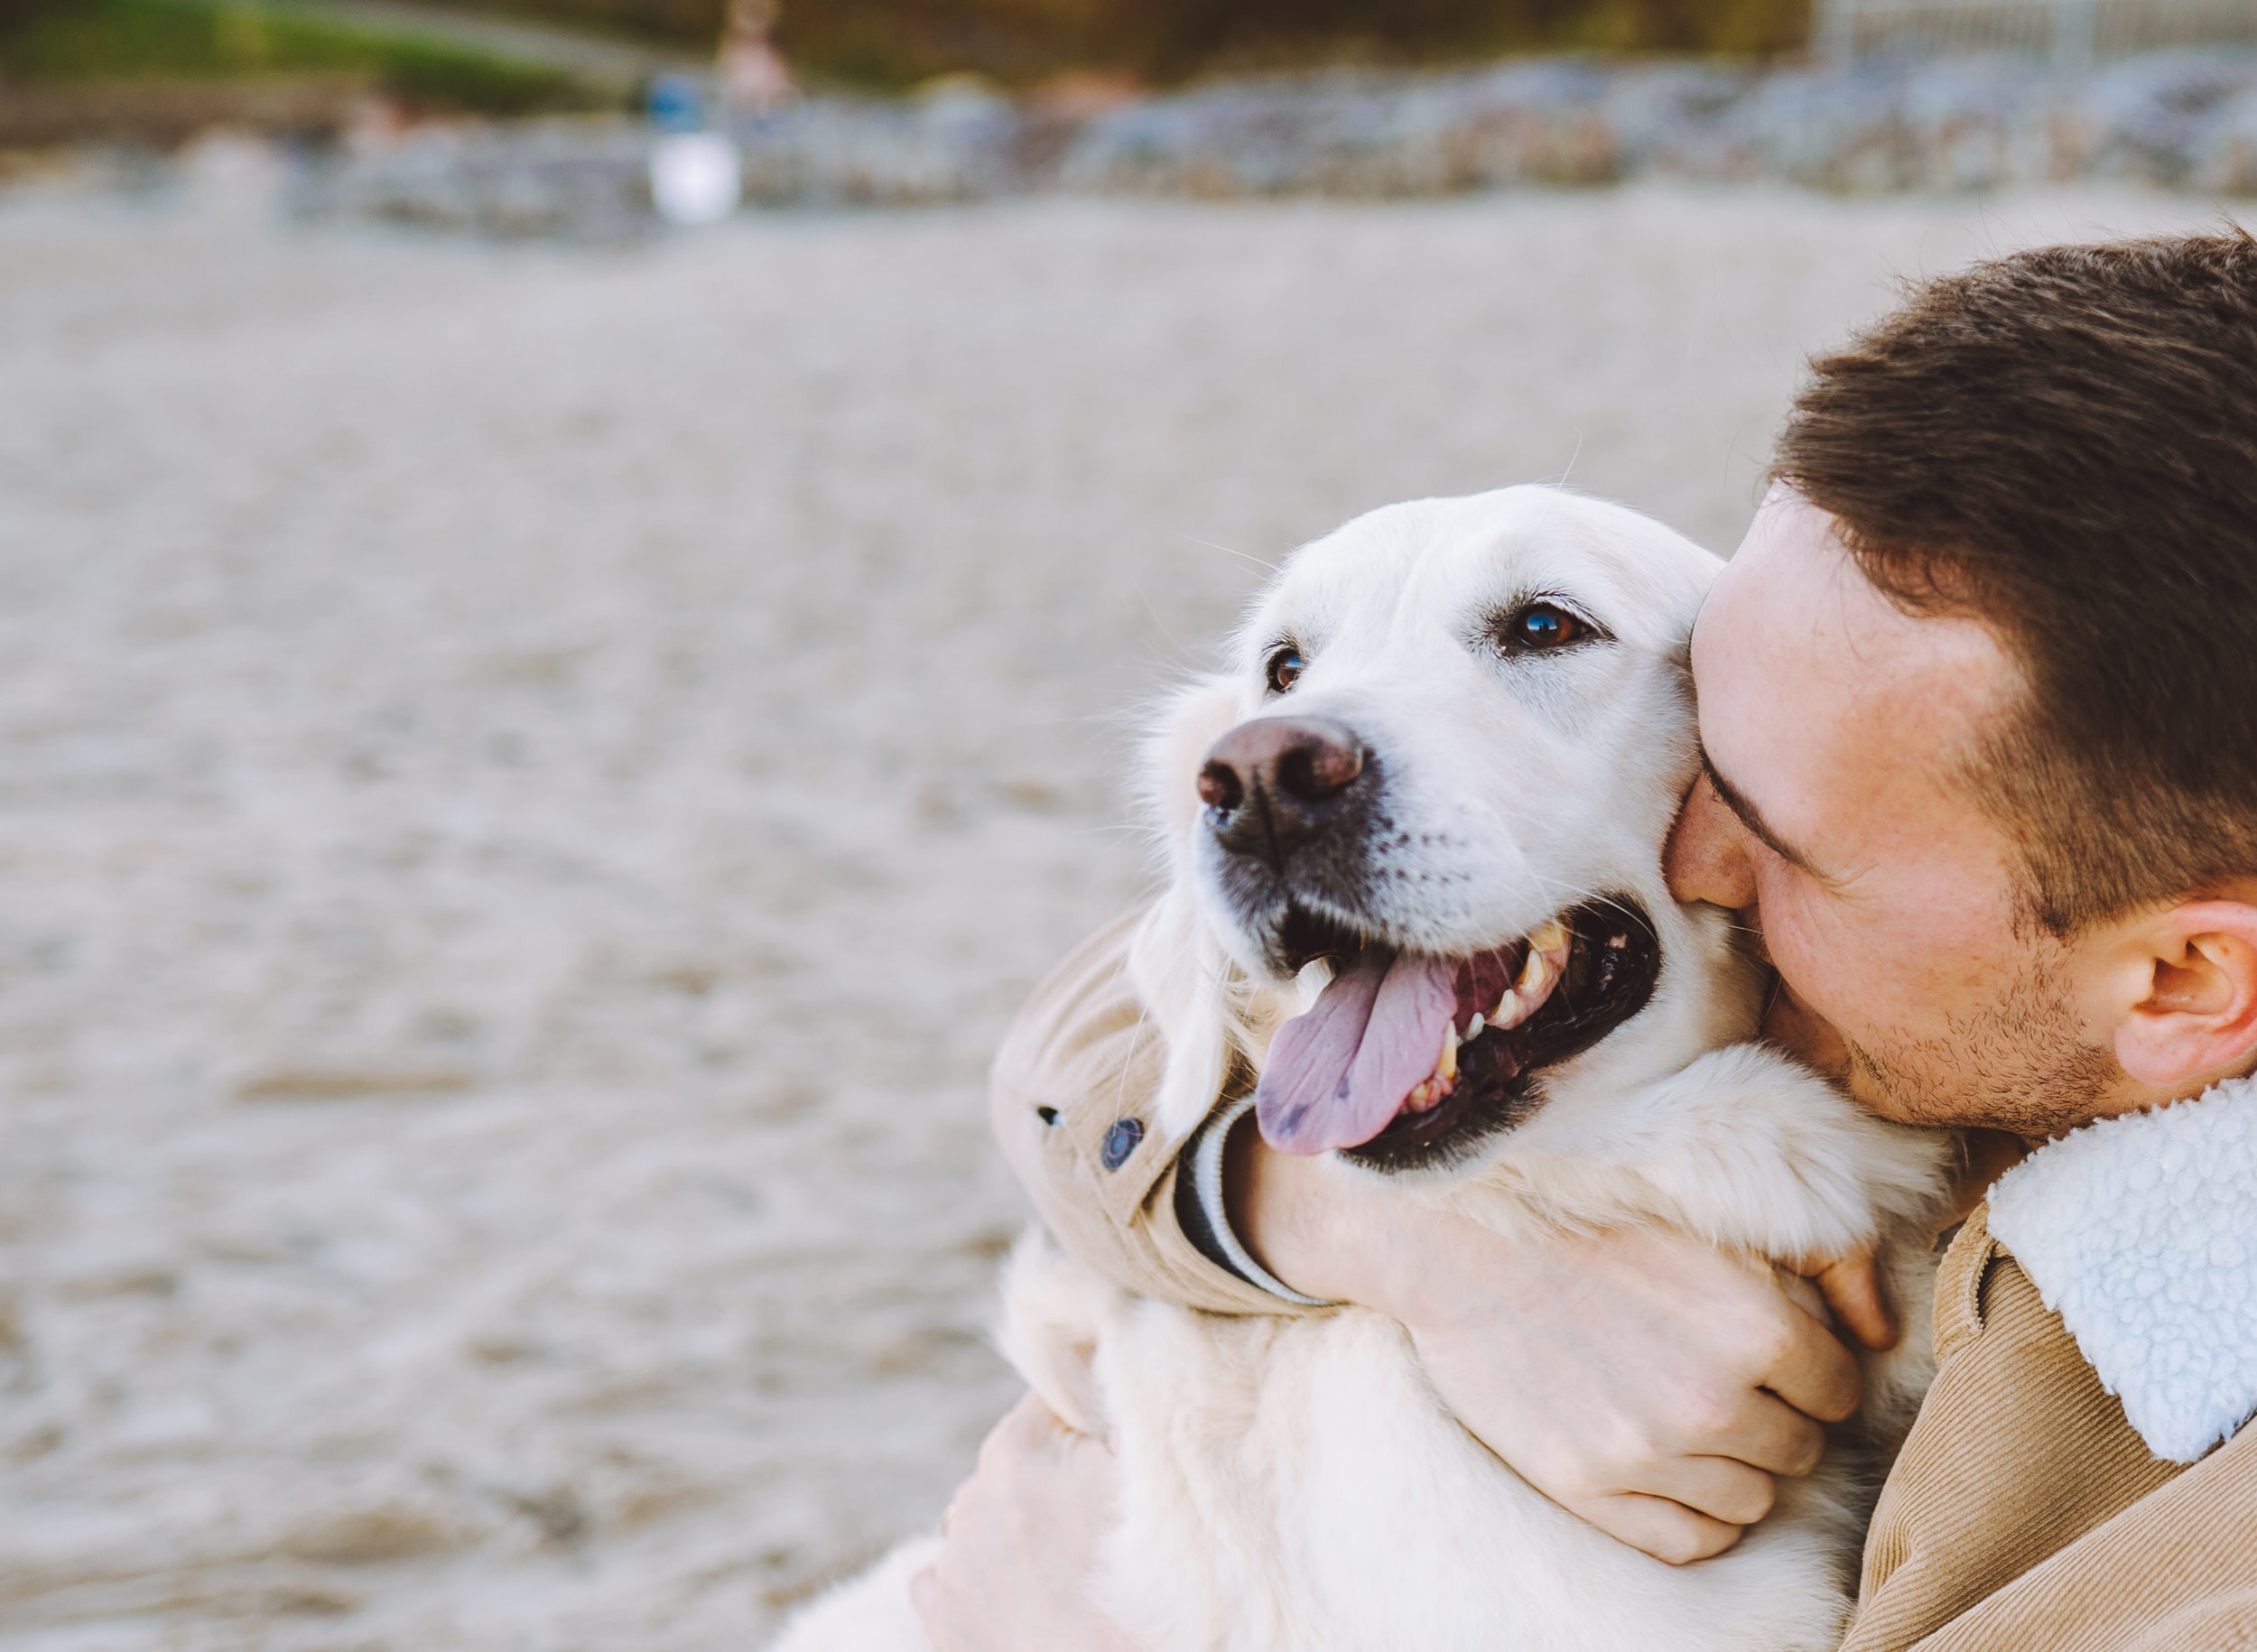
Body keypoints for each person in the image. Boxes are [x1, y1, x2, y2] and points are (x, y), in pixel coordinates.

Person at [910, 231, 2257, 1649]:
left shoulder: (2186, 1552)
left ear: (2182, 979)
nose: (1704, 859)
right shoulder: (1971, 1013)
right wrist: (1387, 1236)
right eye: (1715, 756)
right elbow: (1085, 1043)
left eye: (1778, 834)